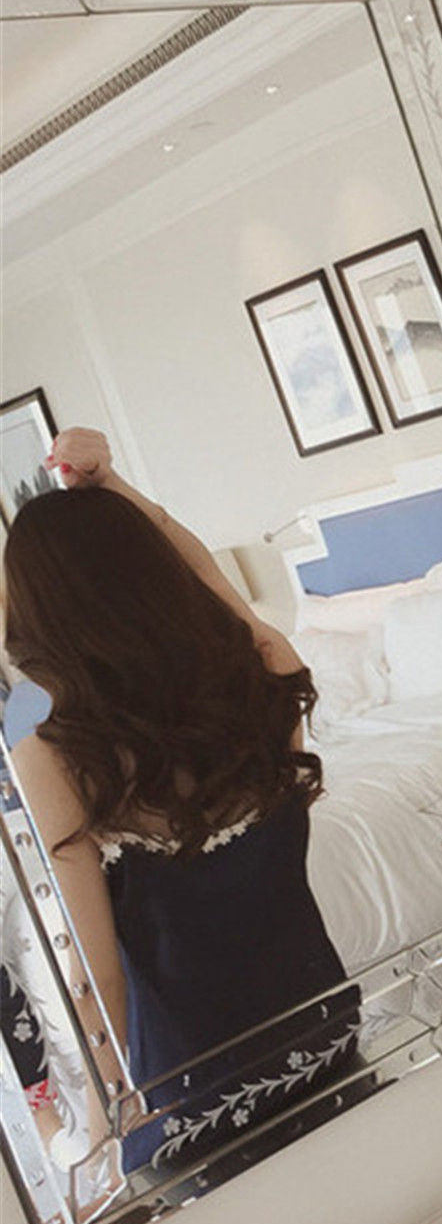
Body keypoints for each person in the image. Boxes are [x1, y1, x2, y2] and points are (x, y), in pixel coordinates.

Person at [3, 431, 355, 1176]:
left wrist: (106, 1113)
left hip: (193, 1090)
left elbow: (92, 972)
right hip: (322, 1029)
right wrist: (119, 490)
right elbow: (211, 583)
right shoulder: (265, 671)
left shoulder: (56, 754)